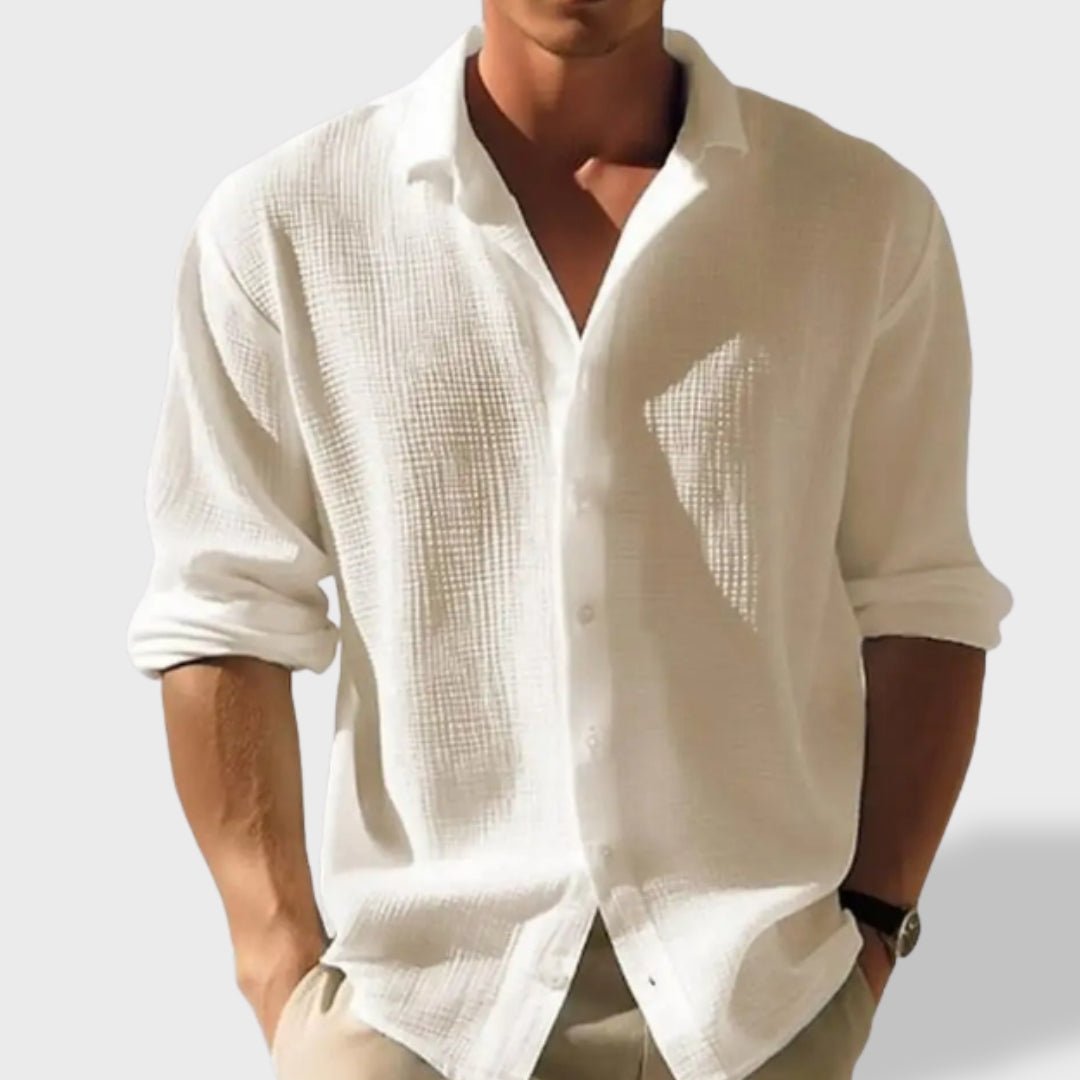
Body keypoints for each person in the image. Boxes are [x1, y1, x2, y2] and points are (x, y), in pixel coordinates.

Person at [126, 1, 1013, 1078]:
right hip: (419, 1016)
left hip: (758, 1013)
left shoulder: (860, 216)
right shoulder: (284, 227)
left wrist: (870, 934)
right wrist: (278, 969)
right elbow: (223, 610)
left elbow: (921, 597)